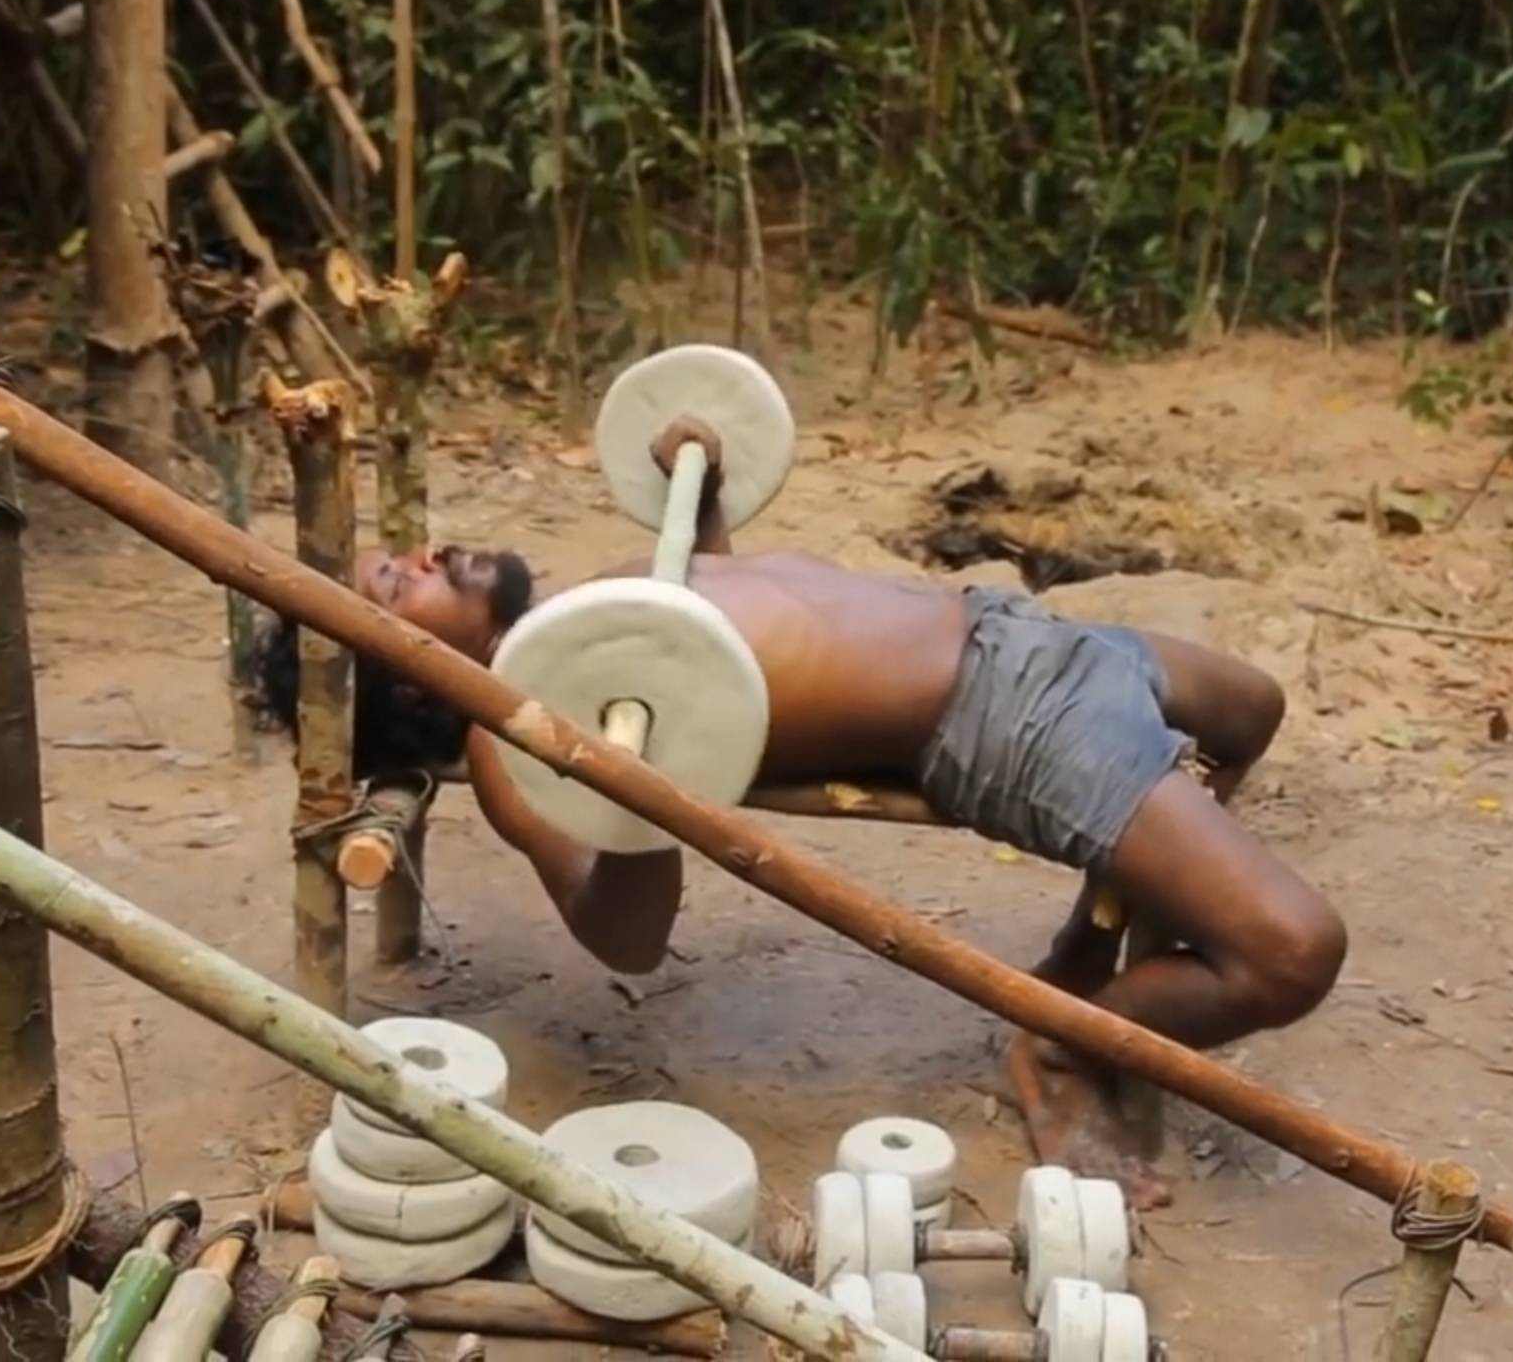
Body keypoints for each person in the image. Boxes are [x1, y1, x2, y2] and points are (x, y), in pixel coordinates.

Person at [253, 420, 1346, 1206]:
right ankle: (1066, 1053)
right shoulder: (521, 740)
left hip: (1020, 632)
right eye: (400, 584)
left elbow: (740, 625)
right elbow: (625, 938)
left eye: (403, 556)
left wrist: (705, 490)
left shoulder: (592, 624)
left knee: (1251, 711)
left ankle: (1107, 914)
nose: (431, 551)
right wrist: (645, 796)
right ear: (411, 680)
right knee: (1292, 953)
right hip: (1004, 718)